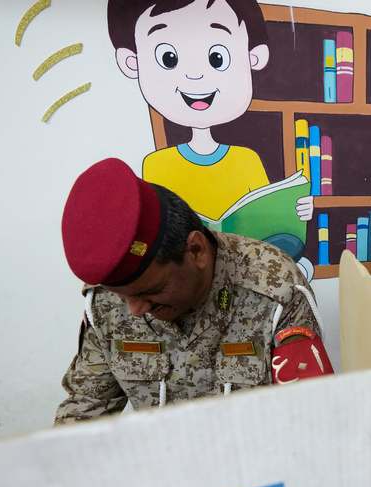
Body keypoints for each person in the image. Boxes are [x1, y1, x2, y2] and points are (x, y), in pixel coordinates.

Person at [55, 157, 331, 425]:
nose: (135, 310)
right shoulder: (104, 302)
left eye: (150, 291)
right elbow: (85, 408)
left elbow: (309, 413)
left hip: (255, 465)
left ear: (195, 251)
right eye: (122, 296)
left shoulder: (274, 287)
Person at [107, 0, 316, 278]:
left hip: (243, 267)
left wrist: (295, 212)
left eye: (217, 58)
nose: (195, 75)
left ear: (253, 57)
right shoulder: (157, 164)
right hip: (192, 274)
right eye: (169, 58)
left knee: (298, 267)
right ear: (131, 62)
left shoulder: (247, 159)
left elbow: (264, 223)